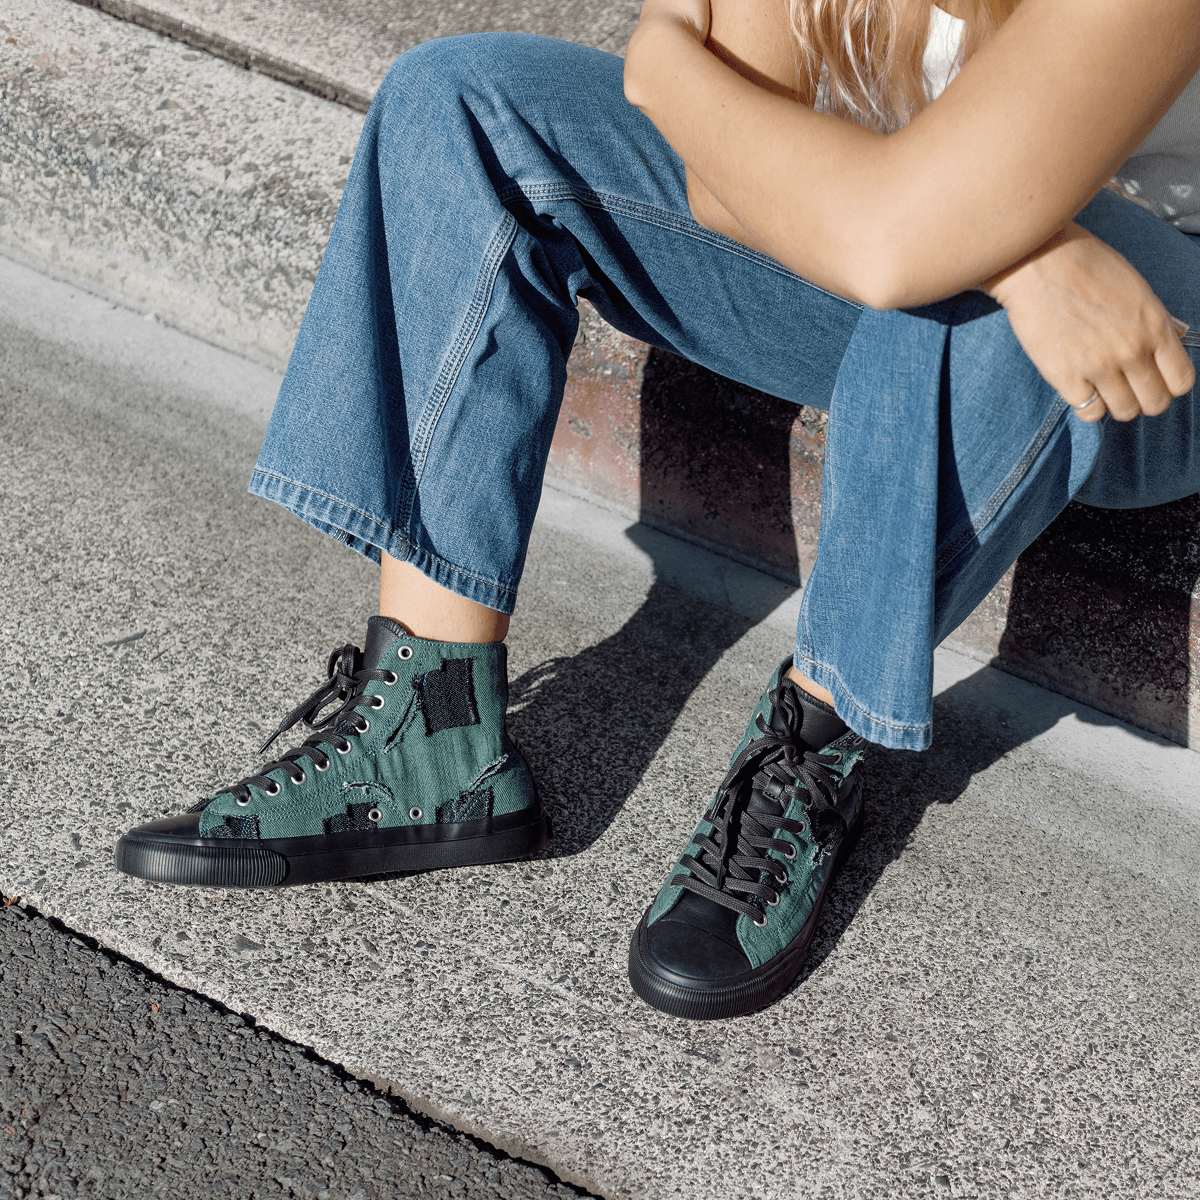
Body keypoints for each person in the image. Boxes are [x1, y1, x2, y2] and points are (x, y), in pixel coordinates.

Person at [114, 0, 1200, 1020]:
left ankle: (813, 746)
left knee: (967, 280)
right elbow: (725, 186)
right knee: (466, 101)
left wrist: (670, 66)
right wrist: (1011, 250)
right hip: (894, 249)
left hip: (1148, 346)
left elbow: (889, 237)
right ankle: (427, 736)